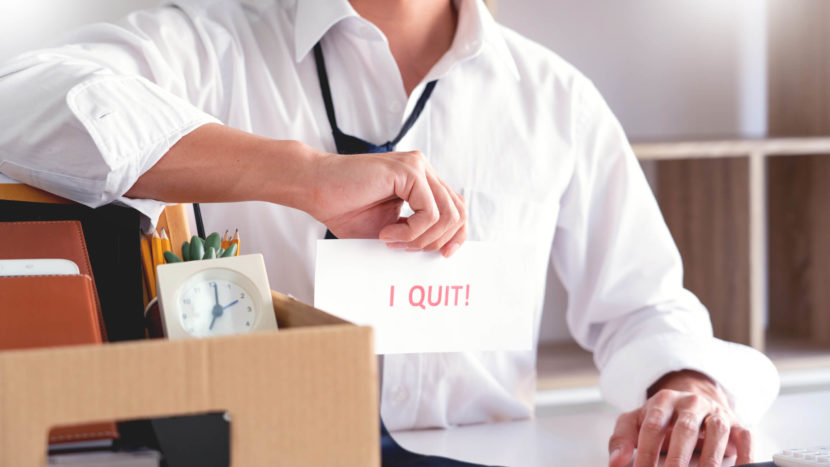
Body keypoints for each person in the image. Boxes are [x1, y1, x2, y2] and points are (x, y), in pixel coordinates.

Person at [0, 0, 778, 465]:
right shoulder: (211, 46)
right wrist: (297, 174)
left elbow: (644, 308)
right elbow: (16, 104)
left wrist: (687, 387)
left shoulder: (556, 98)